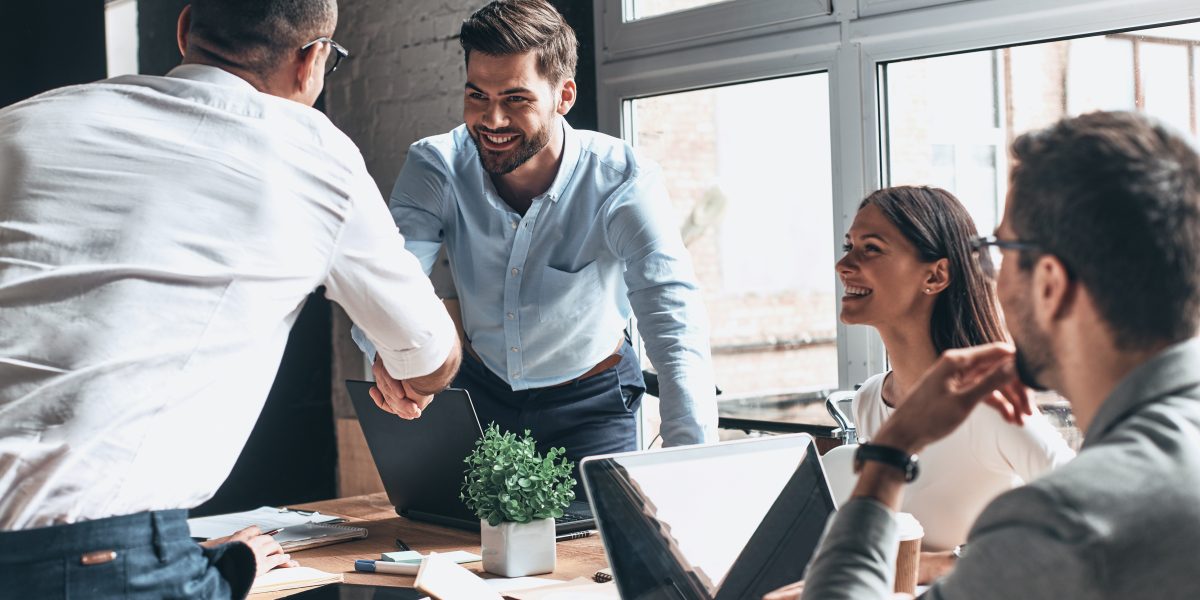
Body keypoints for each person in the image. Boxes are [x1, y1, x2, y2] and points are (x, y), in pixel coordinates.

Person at [0, 1, 461, 598]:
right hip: (98, 563)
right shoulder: (311, 153)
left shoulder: (24, 124)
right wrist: (408, 376)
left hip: (108, 544)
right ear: (312, 61)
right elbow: (429, 356)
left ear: (186, 28)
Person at [776, 110, 1200, 599]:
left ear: (1049, 283)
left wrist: (889, 454)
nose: (989, 274)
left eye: (999, 249)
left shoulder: (1063, 523)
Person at [353, 0, 718, 466]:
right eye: (477, 96)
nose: (492, 120)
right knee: (456, 536)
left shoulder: (624, 181)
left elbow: (674, 320)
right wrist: (387, 354)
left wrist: (691, 462)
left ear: (563, 97)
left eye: (515, 99)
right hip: (479, 392)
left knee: (600, 539)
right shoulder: (437, 165)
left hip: (591, 404)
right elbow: (388, 280)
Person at [836, 186, 1074, 581]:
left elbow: (1094, 522)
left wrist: (937, 565)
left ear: (935, 275)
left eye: (871, 248)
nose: (844, 264)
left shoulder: (990, 408)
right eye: (850, 245)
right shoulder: (869, 400)